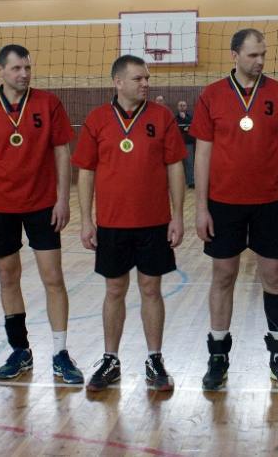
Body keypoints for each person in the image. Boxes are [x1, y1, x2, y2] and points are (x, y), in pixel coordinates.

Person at [190, 28, 278, 391]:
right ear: (235, 55)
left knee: (273, 276)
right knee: (223, 275)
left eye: (263, 54)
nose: (260, 61)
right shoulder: (211, 95)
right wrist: (201, 207)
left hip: (270, 203)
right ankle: (218, 356)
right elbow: (203, 154)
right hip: (224, 204)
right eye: (253, 54)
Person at [0, 44, 83, 383]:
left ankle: (60, 353)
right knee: (7, 276)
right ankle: (20, 350)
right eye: (17, 68)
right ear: (1, 71)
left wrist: (63, 198)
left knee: (53, 277)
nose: (24, 74)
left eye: (27, 68)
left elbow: (62, 152)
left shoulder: (48, 103)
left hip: (42, 203)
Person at [73, 55, 186, 392]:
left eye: (147, 78)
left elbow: (175, 167)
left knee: (151, 289)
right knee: (114, 290)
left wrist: (178, 215)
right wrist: (86, 220)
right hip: (112, 223)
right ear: (118, 82)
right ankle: (110, 359)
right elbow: (86, 172)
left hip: (154, 222)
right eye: (138, 78)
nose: (145, 83)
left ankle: (154, 359)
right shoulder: (97, 119)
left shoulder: (162, 117)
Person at [176, 100, 195, 188]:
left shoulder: (191, 117)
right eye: (180, 105)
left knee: (189, 162)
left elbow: (193, 127)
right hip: (177, 144)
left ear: (186, 107)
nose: (182, 107)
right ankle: (178, 182)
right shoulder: (174, 118)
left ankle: (190, 182)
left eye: (184, 105)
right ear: (178, 107)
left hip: (188, 143)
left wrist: (185, 119)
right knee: (178, 164)